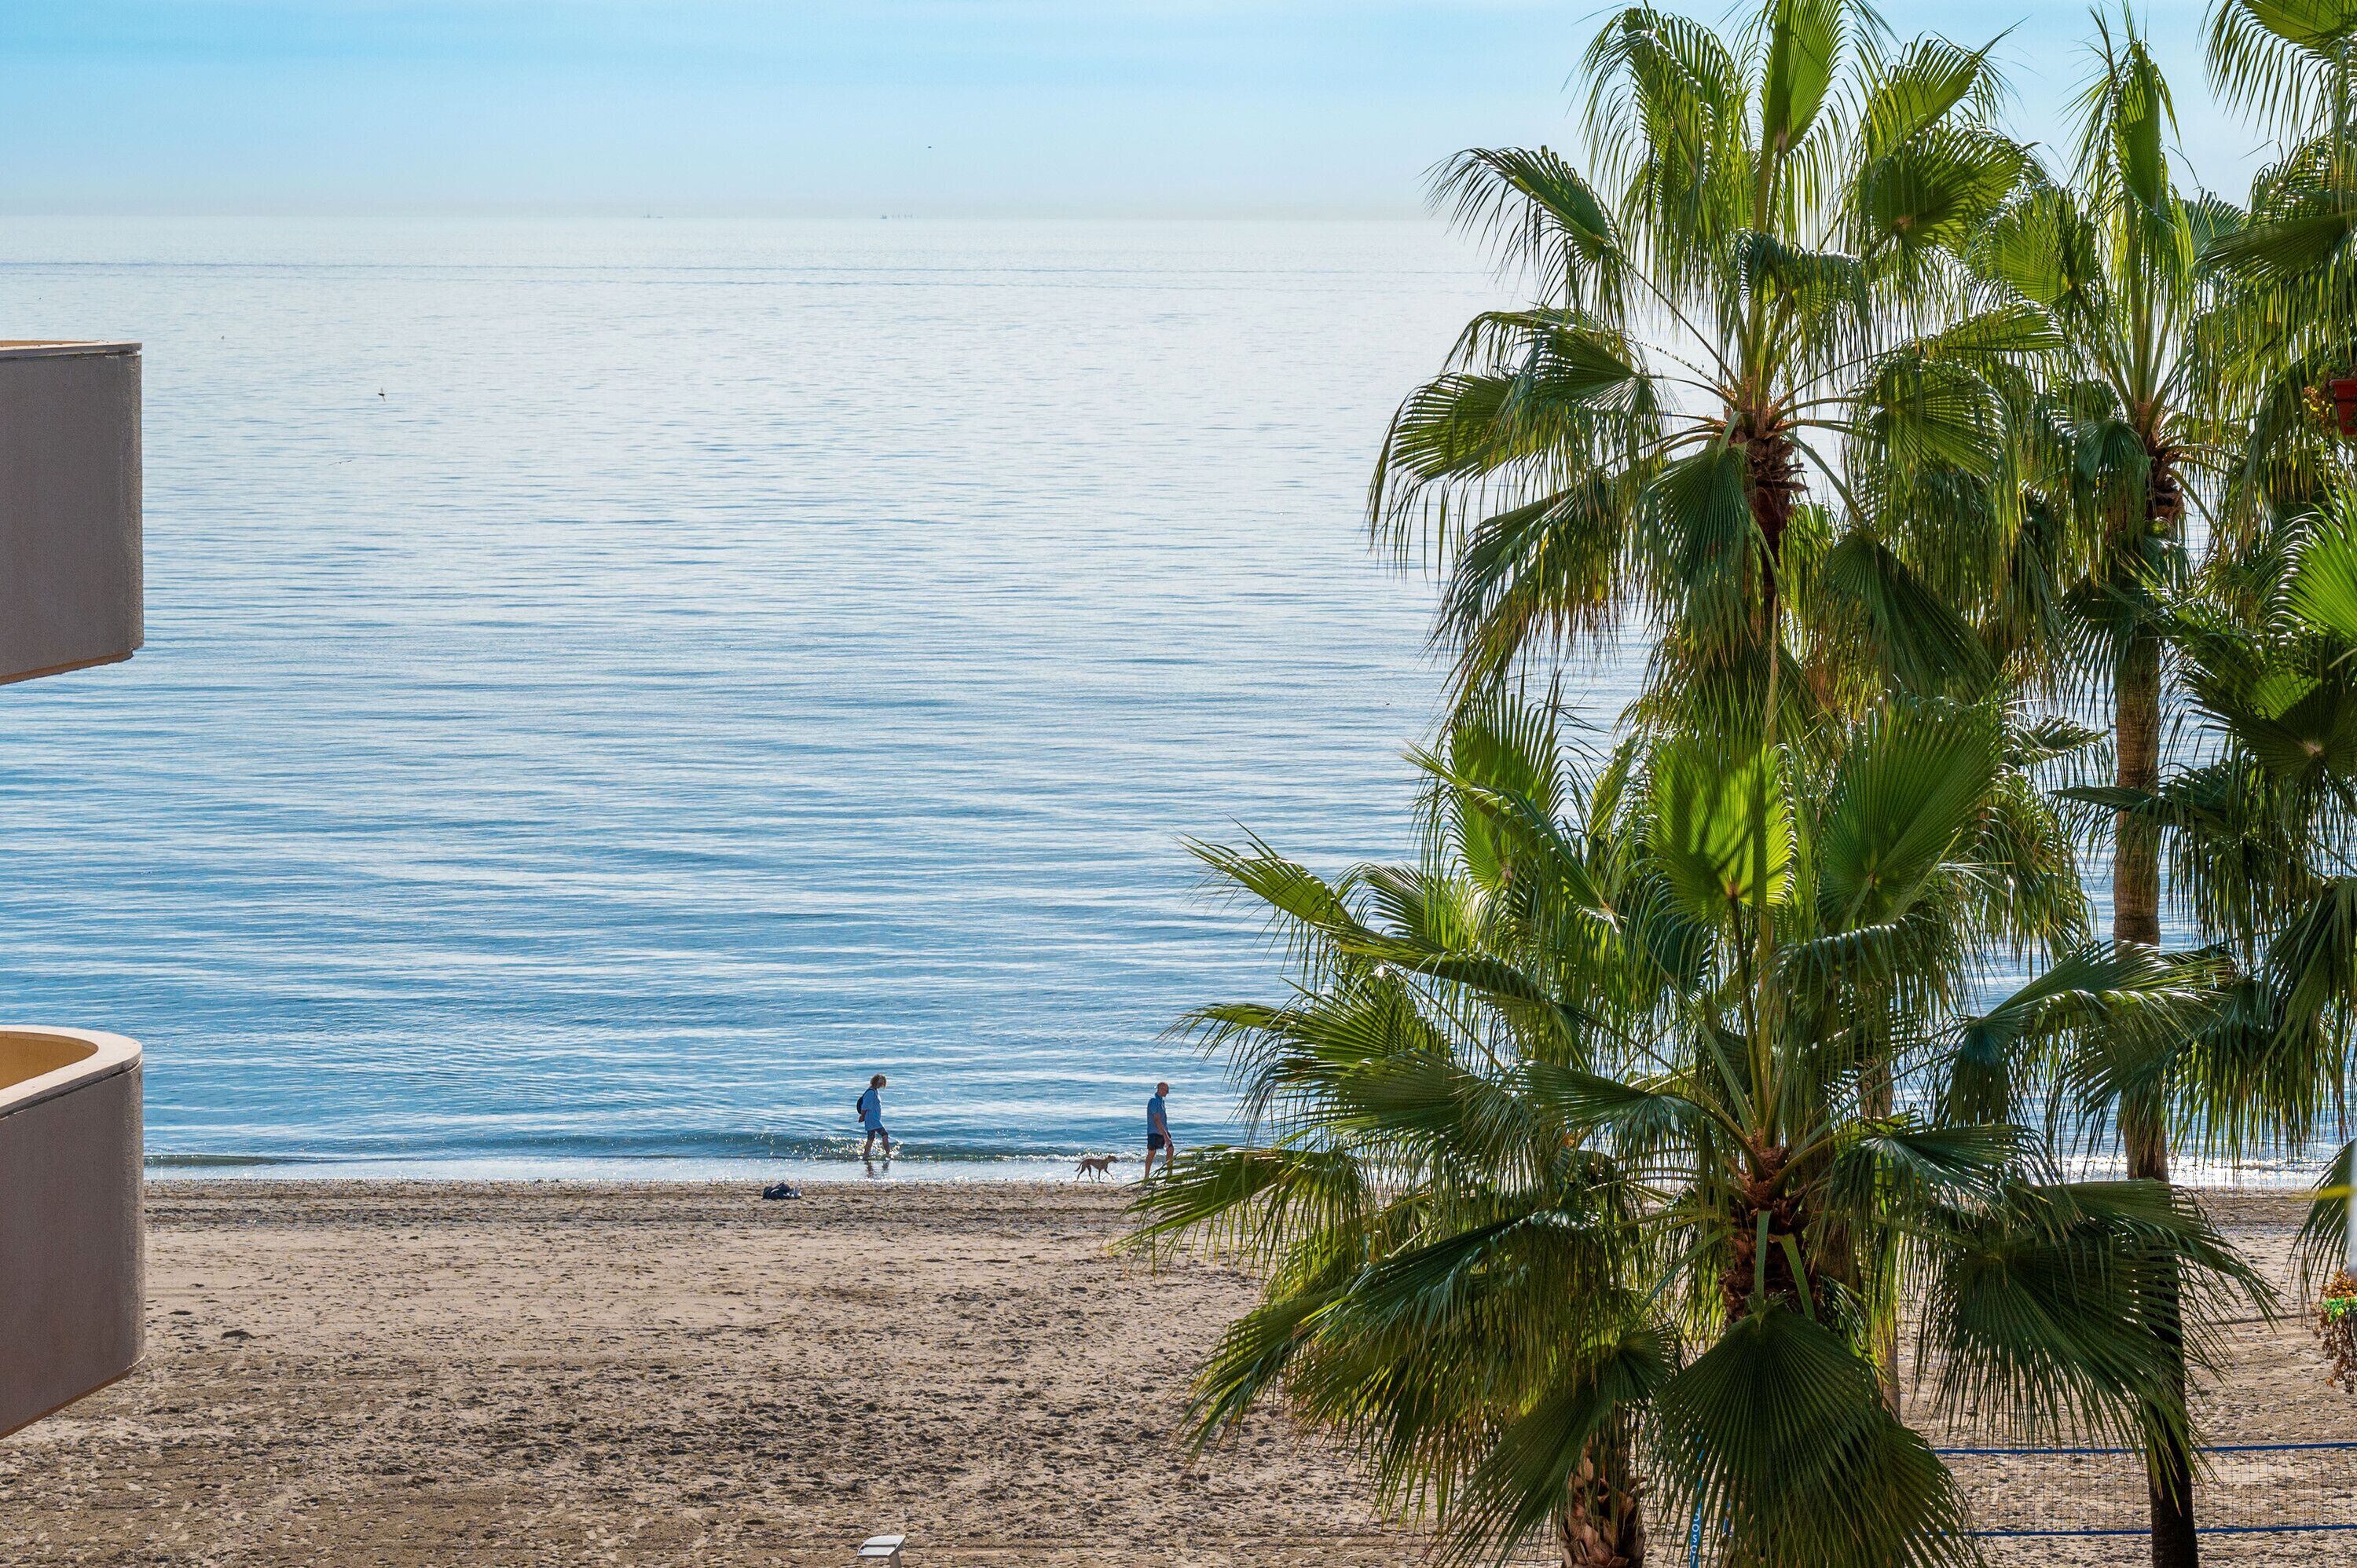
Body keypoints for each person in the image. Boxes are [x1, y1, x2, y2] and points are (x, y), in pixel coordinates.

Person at [857, 1073, 893, 1160]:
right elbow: (865, 1106)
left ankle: (866, 1155)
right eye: (879, 1083)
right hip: (872, 1119)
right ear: (874, 1082)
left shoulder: (874, 1091)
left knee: (871, 1138)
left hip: (874, 1119)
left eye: (882, 1084)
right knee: (885, 1134)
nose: (880, 1085)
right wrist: (862, 1116)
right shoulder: (871, 1092)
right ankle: (888, 1154)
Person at [1144, 1081, 1173, 1181]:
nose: (1167, 1093)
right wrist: (1165, 1136)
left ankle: (1169, 1175)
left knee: (1170, 1149)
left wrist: (1165, 1133)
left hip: (1163, 1130)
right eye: (1166, 1090)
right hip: (1154, 1132)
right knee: (1152, 1153)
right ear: (1160, 1089)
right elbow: (1156, 1119)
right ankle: (1146, 1177)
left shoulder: (1161, 1102)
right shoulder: (1154, 1101)